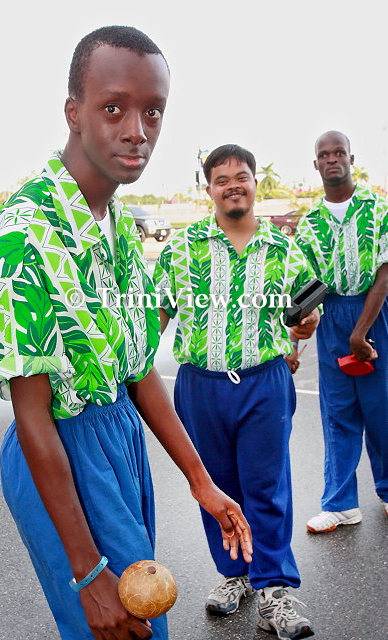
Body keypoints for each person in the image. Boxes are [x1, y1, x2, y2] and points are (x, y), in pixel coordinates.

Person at [0, 28, 253, 640]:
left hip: (120, 438)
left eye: (153, 112)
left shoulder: (119, 223)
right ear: (73, 112)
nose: (137, 130)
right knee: (121, 623)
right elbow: (32, 415)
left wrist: (202, 482)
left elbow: (139, 369)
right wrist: (88, 572)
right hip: (62, 450)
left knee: (144, 616)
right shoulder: (22, 235)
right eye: (113, 108)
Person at [153, 144, 318, 640]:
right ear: (209, 189)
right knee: (216, 485)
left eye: (241, 176)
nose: (232, 186)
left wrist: (304, 327)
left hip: (264, 382)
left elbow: (304, 313)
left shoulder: (284, 249)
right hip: (200, 387)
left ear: (254, 183)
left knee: (267, 487)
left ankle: (274, 590)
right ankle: (235, 575)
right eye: (221, 179)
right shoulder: (183, 248)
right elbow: (158, 313)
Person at [295, 130, 388, 533]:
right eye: (324, 154)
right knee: (337, 413)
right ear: (316, 164)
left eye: (339, 153)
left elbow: (385, 273)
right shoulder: (310, 224)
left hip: (375, 311)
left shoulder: (378, 208)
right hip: (332, 315)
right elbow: (308, 290)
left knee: (382, 408)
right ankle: (340, 504)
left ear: (352, 158)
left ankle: (387, 490)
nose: (332, 159)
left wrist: (361, 332)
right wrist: (294, 343)